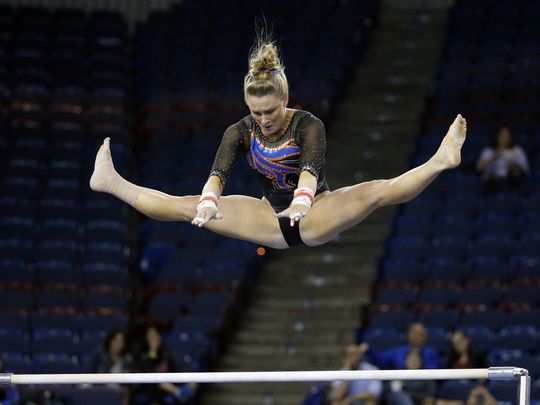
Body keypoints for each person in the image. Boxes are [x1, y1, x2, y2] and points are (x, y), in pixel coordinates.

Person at [90, 35, 467, 249]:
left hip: (316, 212)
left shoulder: (308, 124)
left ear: (284, 99)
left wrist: (303, 202)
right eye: (256, 113)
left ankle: (440, 160)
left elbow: (309, 170)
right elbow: (218, 174)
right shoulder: (239, 131)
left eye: (270, 111)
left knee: (376, 191)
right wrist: (207, 202)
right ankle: (111, 183)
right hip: (268, 217)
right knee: (182, 206)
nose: (264, 120)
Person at [132, 326, 197, 404]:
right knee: (156, 382)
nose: (154, 339)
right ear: (146, 339)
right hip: (151, 387)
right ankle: (178, 392)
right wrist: (153, 350)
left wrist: (190, 378)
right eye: (151, 337)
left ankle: (179, 392)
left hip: (167, 386)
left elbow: (180, 365)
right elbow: (149, 371)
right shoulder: (142, 354)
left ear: (159, 337)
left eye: (156, 336)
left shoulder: (166, 352)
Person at [476, 126, 529, 193]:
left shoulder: (517, 150)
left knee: (516, 174)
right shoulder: (489, 151)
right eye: (502, 135)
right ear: (497, 137)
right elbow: (479, 167)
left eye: (507, 135)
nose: (504, 138)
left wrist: (513, 165)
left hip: (511, 181)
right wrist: (494, 157)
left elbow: (524, 168)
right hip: (492, 183)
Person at [365, 323, 440, 370]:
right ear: (408, 335)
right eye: (414, 333)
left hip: (421, 386)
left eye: (420, 334)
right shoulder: (398, 351)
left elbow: (432, 371)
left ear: (425, 336)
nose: (417, 336)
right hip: (402, 384)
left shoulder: (431, 352)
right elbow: (382, 358)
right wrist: (368, 349)